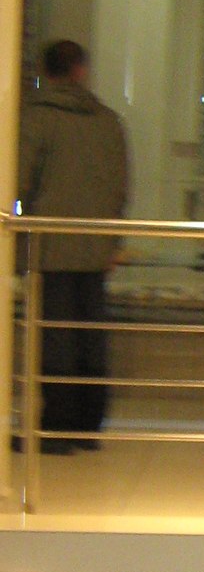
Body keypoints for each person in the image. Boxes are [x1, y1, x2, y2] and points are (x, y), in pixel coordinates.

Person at [15, 38, 129, 452]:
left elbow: (18, 180)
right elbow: (120, 188)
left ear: (46, 72)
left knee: (56, 336)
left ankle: (57, 428)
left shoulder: (36, 119)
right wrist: (113, 241)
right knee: (90, 334)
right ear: (81, 70)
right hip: (96, 247)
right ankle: (88, 425)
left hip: (51, 247)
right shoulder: (108, 122)